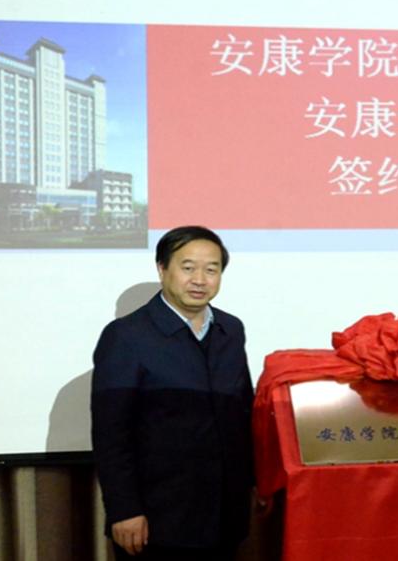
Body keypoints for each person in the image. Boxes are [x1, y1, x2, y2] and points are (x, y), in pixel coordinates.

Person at [91, 226, 254, 560]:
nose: (200, 280)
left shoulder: (231, 329)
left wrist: (256, 480)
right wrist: (124, 509)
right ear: (162, 269)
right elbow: (111, 434)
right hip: (158, 518)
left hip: (225, 514)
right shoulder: (126, 336)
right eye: (188, 267)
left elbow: (243, 412)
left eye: (211, 270)